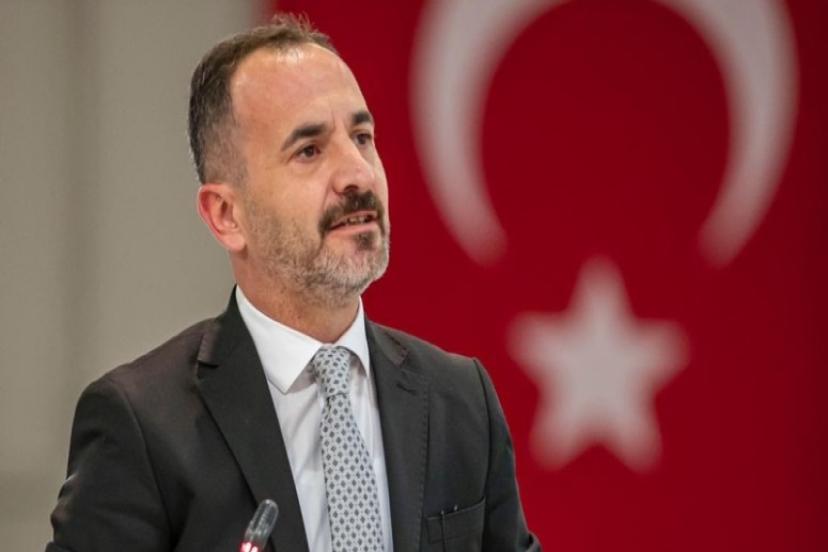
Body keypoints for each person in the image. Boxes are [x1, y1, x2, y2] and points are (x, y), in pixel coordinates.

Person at [47, 14, 539, 552]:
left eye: (362, 137)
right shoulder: (142, 425)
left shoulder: (460, 402)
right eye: (309, 150)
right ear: (227, 215)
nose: (358, 174)